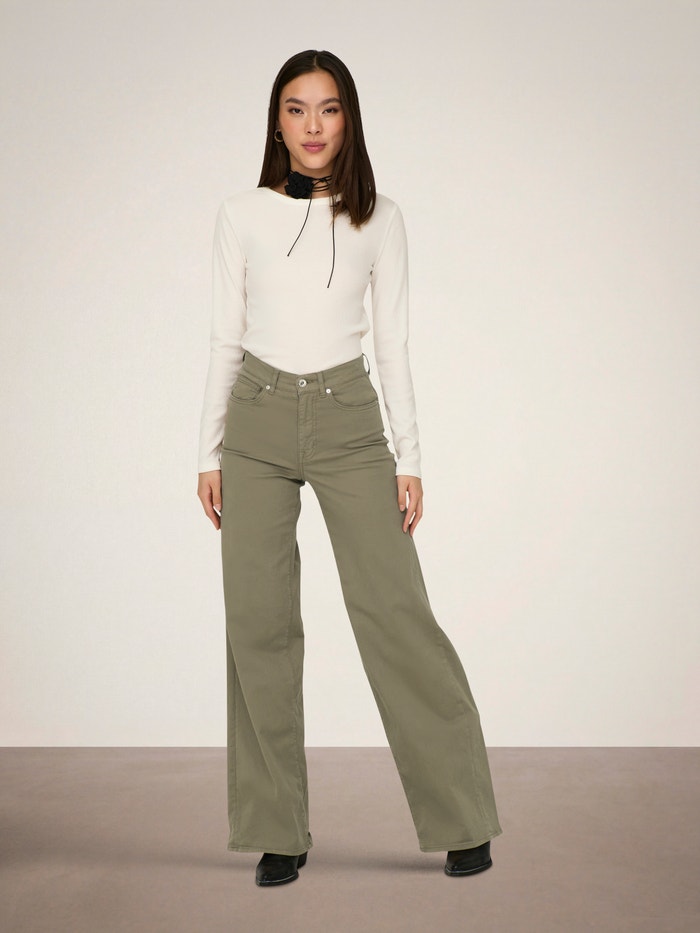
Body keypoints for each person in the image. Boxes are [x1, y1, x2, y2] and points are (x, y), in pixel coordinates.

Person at [197, 49, 503, 888]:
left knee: (394, 611)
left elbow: (393, 341)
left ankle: (462, 816)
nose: (312, 126)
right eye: (296, 109)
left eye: (328, 109)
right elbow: (224, 336)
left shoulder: (381, 218)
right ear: (277, 122)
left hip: (349, 422)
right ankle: (277, 828)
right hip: (255, 419)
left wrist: (411, 457)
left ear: (349, 119)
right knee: (258, 623)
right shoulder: (240, 215)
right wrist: (207, 450)